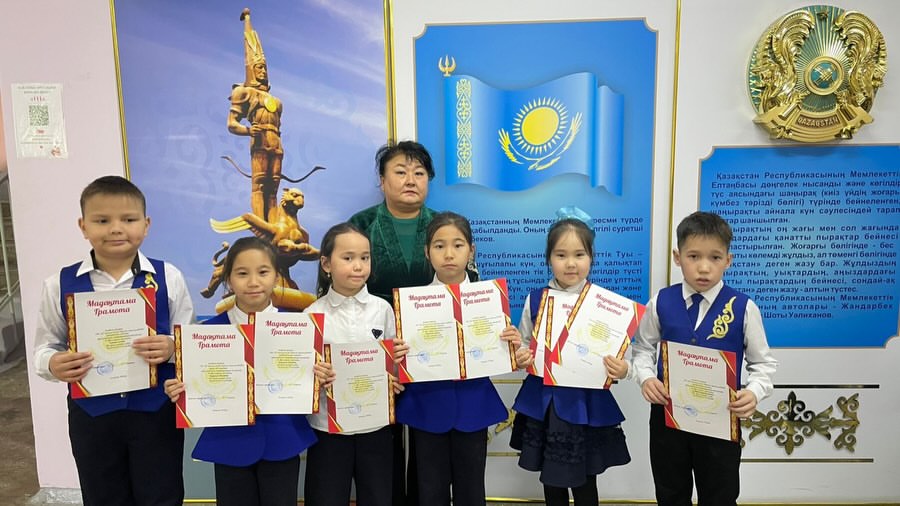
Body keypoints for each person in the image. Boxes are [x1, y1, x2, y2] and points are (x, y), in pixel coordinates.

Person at [32, 175, 194, 505]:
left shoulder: (169, 277)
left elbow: (189, 342)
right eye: (102, 220)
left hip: (155, 413)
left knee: (162, 495)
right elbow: (45, 347)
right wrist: (53, 363)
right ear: (83, 226)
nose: (116, 229)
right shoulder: (58, 284)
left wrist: (171, 348)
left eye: (129, 219)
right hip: (92, 417)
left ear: (146, 225)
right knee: (102, 496)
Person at [629, 211, 777, 506]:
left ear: (728, 260)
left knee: (720, 495)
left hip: (721, 419)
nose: (704, 267)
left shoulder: (744, 308)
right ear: (677, 257)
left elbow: (762, 364)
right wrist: (645, 378)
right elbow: (643, 349)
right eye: (694, 256)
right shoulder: (660, 302)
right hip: (668, 419)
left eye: (715, 257)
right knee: (670, 493)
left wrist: (754, 392)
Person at [163, 237, 316, 506]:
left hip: (282, 439)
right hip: (229, 443)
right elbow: (193, 384)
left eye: (263, 272)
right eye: (242, 273)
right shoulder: (205, 334)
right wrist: (178, 388)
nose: (253, 282)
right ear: (229, 280)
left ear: (276, 276)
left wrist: (319, 377)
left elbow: (307, 381)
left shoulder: (300, 328)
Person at [393, 212, 532, 506]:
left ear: (471, 250)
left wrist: (511, 347)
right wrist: (398, 355)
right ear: (427, 252)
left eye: (457, 245)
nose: (448, 254)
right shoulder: (411, 305)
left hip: (473, 406)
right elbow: (399, 362)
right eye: (439, 246)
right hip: (427, 406)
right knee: (430, 491)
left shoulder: (490, 301)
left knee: (471, 491)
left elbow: (506, 359)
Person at [509, 210, 631, 506]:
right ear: (549, 258)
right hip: (546, 401)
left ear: (591, 257)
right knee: (551, 476)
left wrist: (621, 368)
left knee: (586, 476)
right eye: (561, 255)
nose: (571, 263)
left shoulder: (605, 304)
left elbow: (620, 354)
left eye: (579, 254)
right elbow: (524, 343)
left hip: (585, 402)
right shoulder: (535, 299)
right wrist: (522, 355)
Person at [348, 140, 444, 505]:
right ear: (382, 180)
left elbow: (465, 286)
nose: (410, 180)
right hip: (371, 347)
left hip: (432, 348)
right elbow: (336, 288)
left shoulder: (443, 226)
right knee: (380, 439)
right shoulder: (361, 225)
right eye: (400, 172)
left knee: (427, 439)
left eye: (419, 173)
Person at [304, 222, 401, 506]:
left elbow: (395, 364)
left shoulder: (383, 309)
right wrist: (315, 375)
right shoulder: (311, 315)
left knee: (378, 497)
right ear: (326, 264)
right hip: (328, 428)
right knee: (326, 498)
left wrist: (396, 375)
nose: (358, 266)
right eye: (348, 258)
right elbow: (302, 374)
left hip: (376, 427)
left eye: (364, 257)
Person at [228, 8, 284, 223]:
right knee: (259, 185)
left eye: (264, 68)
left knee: (273, 189)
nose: (263, 71)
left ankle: (273, 228)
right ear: (252, 69)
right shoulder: (244, 93)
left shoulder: (277, 102)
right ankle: (261, 227)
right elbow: (231, 124)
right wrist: (249, 131)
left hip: (276, 143)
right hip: (259, 142)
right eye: (259, 68)